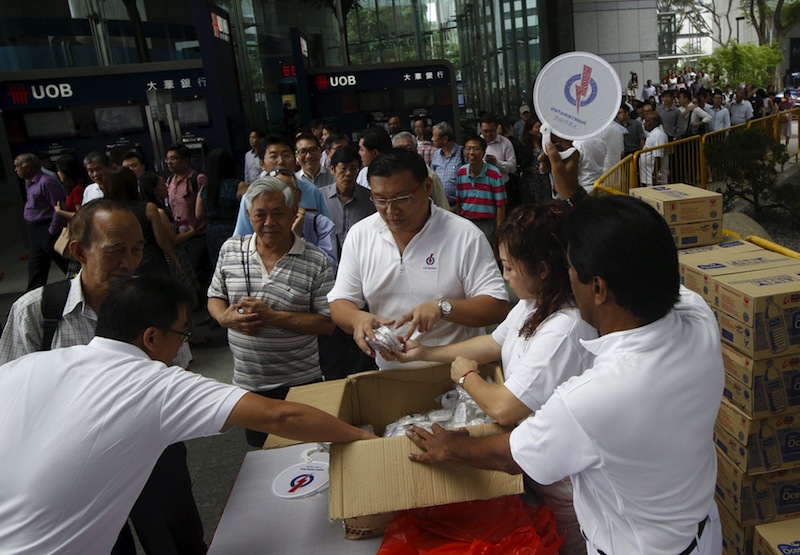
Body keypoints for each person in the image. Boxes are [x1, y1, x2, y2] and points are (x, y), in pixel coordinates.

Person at [405, 195, 724, 555]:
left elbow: (510, 456)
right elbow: (639, 252)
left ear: (599, 288)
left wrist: (451, 446)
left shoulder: (595, 395)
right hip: (699, 532)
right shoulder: (699, 317)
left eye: (571, 269)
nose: (567, 276)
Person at [0, 273, 374, 554]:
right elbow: (279, 417)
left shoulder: (26, 367)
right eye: (181, 334)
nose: (182, 345)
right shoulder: (153, 383)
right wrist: (365, 439)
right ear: (151, 338)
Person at [396, 202, 596, 554]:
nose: (504, 277)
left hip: (568, 490)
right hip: (533, 468)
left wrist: (467, 376)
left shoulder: (564, 328)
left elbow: (504, 408)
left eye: (509, 267)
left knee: (566, 544)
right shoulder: (532, 302)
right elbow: (493, 341)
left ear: (544, 269)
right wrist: (425, 353)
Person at [328, 148, 509, 370]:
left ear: (427, 187)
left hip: (458, 372)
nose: (391, 210)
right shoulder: (361, 235)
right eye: (381, 200)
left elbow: (496, 306)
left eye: (401, 198)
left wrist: (443, 308)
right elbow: (340, 302)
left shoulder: (464, 235)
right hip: (389, 373)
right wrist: (357, 319)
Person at [208, 176, 336, 447]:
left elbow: (327, 323)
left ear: (293, 213)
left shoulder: (317, 261)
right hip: (249, 385)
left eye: (278, 213)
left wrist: (273, 317)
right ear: (247, 214)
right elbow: (215, 297)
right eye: (260, 214)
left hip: (301, 382)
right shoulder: (231, 250)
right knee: (263, 454)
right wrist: (223, 317)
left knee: (308, 454)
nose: (269, 222)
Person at [233, 135, 330, 236]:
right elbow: (241, 237)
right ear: (262, 164)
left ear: (295, 160)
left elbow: (326, 230)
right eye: (273, 156)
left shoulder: (312, 191)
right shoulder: (251, 196)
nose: (281, 161)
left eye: (286, 155)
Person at [14, 153, 68, 291]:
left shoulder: (47, 182)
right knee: (36, 268)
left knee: (66, 264)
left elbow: (58, 208)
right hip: (35, 231)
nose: (16, 170)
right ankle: (29, 301)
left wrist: (51, 231)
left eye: (17, 167)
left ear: (27, 167)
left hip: (47, 228)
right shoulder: (30, 182)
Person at [165, 143, 211, 292]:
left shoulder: (197, 179)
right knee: (187, 271)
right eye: (168, 159)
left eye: (174, 158)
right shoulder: (169, 181)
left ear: (186, 160)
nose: (170, 162)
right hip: (180, 235)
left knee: (199, 269)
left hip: (198, 233)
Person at [319, 145, 376, 256]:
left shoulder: (370, 199)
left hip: (360, 257)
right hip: (327, 259)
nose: (348, 173)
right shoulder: (320, 197)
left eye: (353, 169)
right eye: (343, 168)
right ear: (332, 169)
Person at [196, 148, 242, 269]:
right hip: (235, 229)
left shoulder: (205, 189)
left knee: (219, 265)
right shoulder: (238, 186)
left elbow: (199, 215)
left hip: (213, 233)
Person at [455, 135, 507, 242]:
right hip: (466, 223)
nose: (472, 152)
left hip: (487, 224)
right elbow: (458, 201)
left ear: (483, 152)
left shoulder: (494, 174)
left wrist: (498, 231)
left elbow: (501, 205)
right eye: (468, 148)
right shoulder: (461, 172)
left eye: (476, 149)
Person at [392, 131, 451, 211]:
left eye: (408, 148)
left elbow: (444, 207)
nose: (404, 153)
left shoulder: (430, 175)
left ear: (416, 149)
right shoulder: (391, 177)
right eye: (399, 149)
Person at [430, 121, 464, 207]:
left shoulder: (462, 153)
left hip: (458, 205)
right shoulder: (436, 155)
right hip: (440, 205)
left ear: (444, 139)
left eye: (434, 136)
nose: (432, 139)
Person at [519, 117, 551, 204]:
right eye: (537, 127)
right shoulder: (524, 145)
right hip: (531, 179)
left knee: (546, 201)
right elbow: (519, 164)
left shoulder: (546, 144)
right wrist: (527, 168)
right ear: (530, 130)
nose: (540, 129)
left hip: (544, 177)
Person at [479, 113, 517, 185]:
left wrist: (497, 163)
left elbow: (513, 167)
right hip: (482, 186)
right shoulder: (476, 143)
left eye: (491, 131)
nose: (488, 134)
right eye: (485, 131)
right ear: (480, 129)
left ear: (497, 128)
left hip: (501, 184)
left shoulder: (505, 143)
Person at [639, 111, 669, 186]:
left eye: (647, 121)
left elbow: (658, 157)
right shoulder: (652, 134)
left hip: (654, 180)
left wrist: (654, 176)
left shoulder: (658, 135)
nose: (644, 123)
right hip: (648, 178)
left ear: (655, 123)